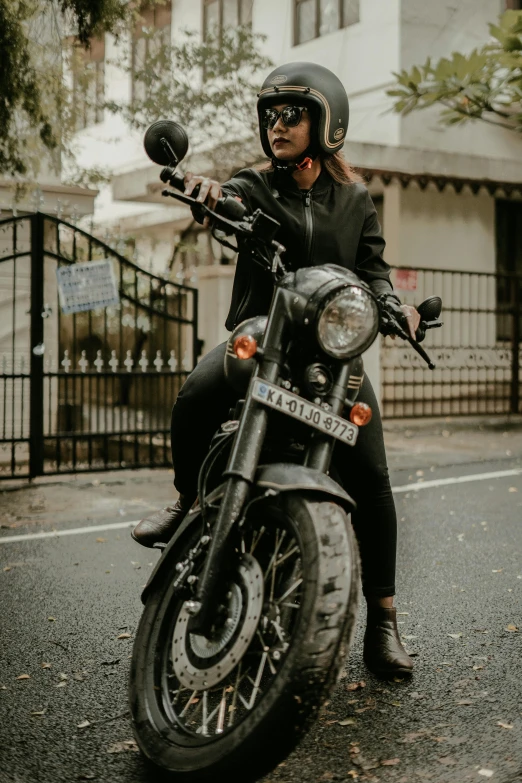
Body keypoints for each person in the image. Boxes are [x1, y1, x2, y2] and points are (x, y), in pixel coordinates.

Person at [133, 62, 420, 678]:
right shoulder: (254, 185)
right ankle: (186, 500)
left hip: (330, 354)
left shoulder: (354, 201)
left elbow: (374, 270)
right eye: (270, 115)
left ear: (327, 124)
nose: (278, 124)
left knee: (373, 475)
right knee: (195, 394)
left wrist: (395, 309)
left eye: (291, 113)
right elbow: (225, 202)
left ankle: (384, 621)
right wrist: (208, 195)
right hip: (263, 336)